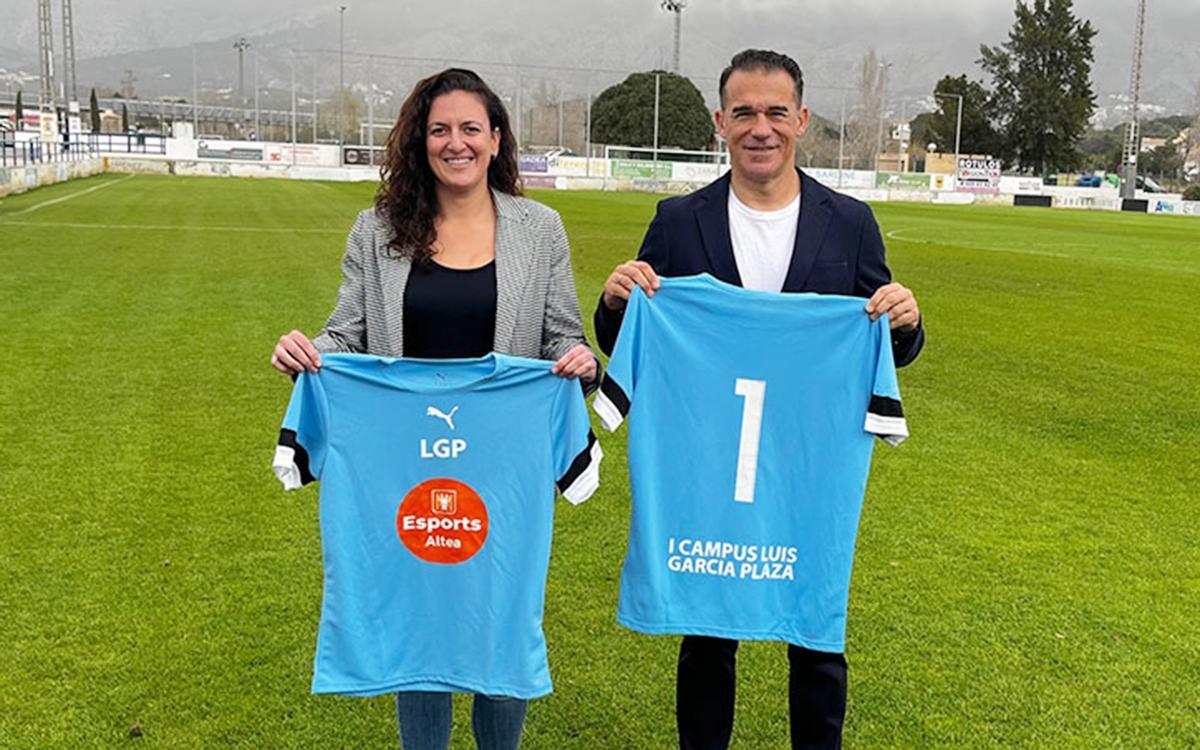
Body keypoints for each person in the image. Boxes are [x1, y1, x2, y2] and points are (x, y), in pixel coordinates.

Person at [593, 49, 924, 750]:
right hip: (710, 456)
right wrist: (616, 300)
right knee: (709, 629)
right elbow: (632, 335)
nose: (760, 127)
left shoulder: (851, 222)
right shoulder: (679, 220)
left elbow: (882, 347)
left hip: (808, 456)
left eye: (776, 112)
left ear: (801, 119)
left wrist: (905, 320)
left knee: (814, 627)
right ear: (720, 123)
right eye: (744, 112)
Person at [271, 67, 597, 750]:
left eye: (470, 129)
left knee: (501, 613)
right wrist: (309, 349)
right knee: (421, 610)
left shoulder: (540, 229)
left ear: (496, 137)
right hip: (405, 461)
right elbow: (348, 333)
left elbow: (562, 334)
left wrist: (580, 361)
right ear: (420, 141)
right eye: (440, 129)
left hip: (501, 466)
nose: (456, 143)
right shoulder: (379, 228)